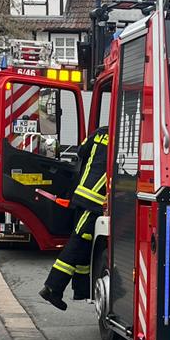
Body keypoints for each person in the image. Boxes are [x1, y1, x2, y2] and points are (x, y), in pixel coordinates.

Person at [38, 125, 110, 311]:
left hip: (82, 196)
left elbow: (81, 151)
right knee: (77, 243)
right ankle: (52, 288)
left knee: (85, 245)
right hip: (95, 201)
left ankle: (81, 289)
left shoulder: (100, 133)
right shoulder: (123, 138)